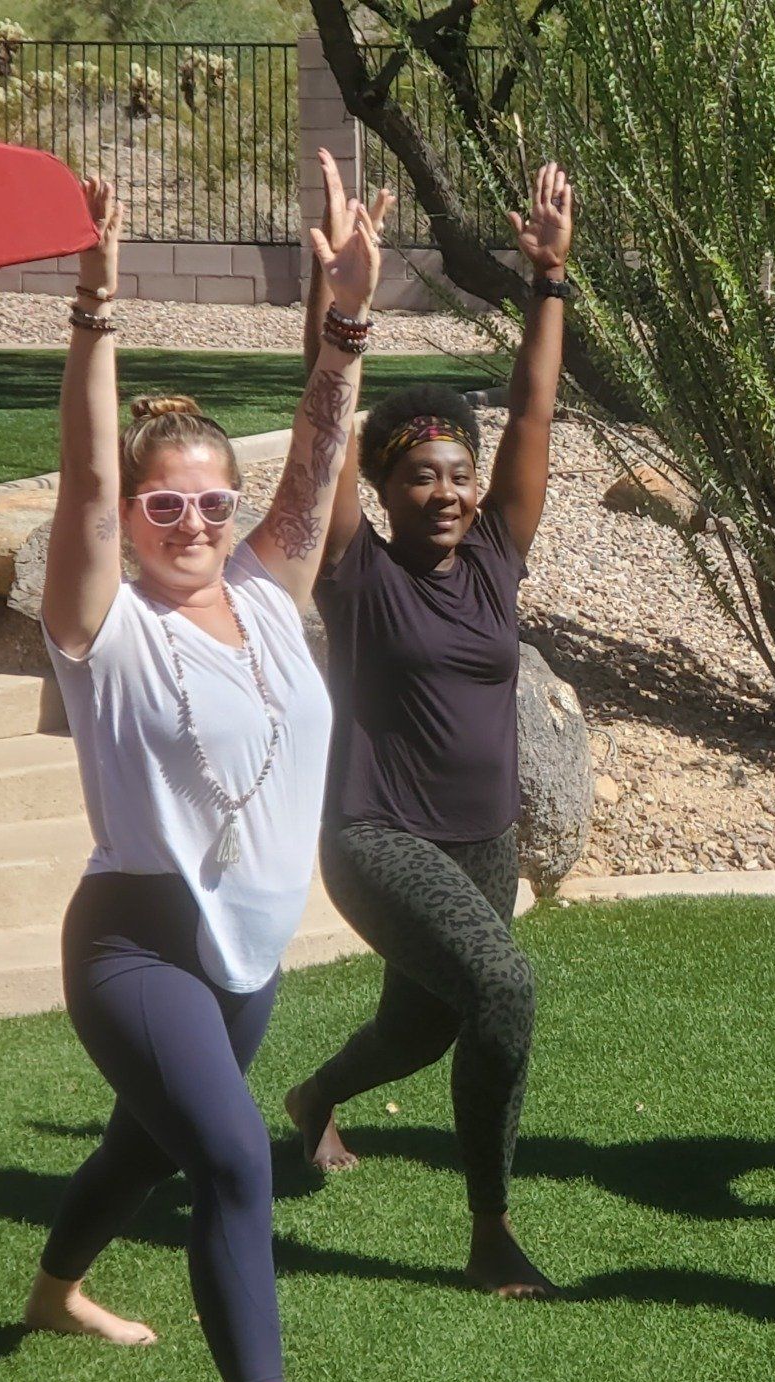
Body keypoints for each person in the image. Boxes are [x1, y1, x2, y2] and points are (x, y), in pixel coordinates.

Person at [24, 173, 380, 1382]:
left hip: (247, 952)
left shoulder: (273, 600)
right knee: (230, 1161)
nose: (187, 522)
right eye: (162, 503)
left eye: (209, 503)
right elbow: (82, 487)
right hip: (135, 941)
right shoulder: (104, 628)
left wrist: (343, 325)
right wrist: (96, 311)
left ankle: (53, 1292)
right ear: (137, 514)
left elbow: (324, 454)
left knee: (145, 1142)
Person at [283, 161, 574, 1299]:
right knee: (501, 987)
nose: (448, 492)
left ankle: (313, 1100)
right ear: (387, 492)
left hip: (480, 839)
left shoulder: (497, 558)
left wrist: (548, 275)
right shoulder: (352, 568)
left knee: (427, 1025)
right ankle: (491, 1228)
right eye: (421, 478)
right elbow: (325, 421)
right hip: (375, 833)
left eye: (459, 473)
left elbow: (536, 413)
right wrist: (341, 301)